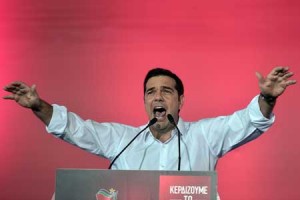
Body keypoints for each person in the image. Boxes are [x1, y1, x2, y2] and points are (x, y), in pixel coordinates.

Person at [3, 67, 296, 198]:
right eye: (150, 92)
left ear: (180, 101)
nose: (158, 98)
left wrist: (268, 98)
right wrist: (37, 105)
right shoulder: (120, 140)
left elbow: (247, 121)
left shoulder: (204, 136)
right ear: (144, 101)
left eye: (166, 92)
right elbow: (74, 128)